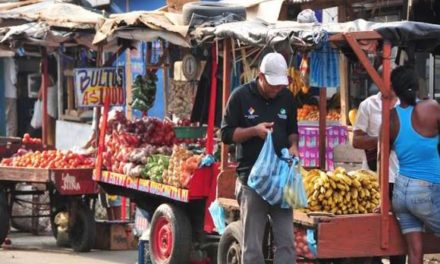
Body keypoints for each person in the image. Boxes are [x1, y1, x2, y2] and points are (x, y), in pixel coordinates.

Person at [221, 52, 299, 263]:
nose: (276, 90)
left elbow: (292, 129)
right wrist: (254, 131)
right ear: (261, 76)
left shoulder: (287, 97)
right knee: (253, 246)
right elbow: (226, 135)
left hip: (281, 181)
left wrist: (293, 146)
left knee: (287, 243)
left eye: (280, 85)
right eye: (273, 85)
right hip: (251, 183)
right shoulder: (240, 96)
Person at [389, 65, 440, 264]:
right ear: (417, 84)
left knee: (415, 252)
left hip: (400, 192)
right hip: (427, 190)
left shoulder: (391, 116)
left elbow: (381, 155)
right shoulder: (432, 107)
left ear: (394, 89)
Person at [353, 88, 406, 264]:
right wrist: (382, 140)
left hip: (400, 179)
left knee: (399, 237)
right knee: (374, 233)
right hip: (374, 178)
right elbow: (356, 140)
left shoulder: (405, 107)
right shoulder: (368, 105)